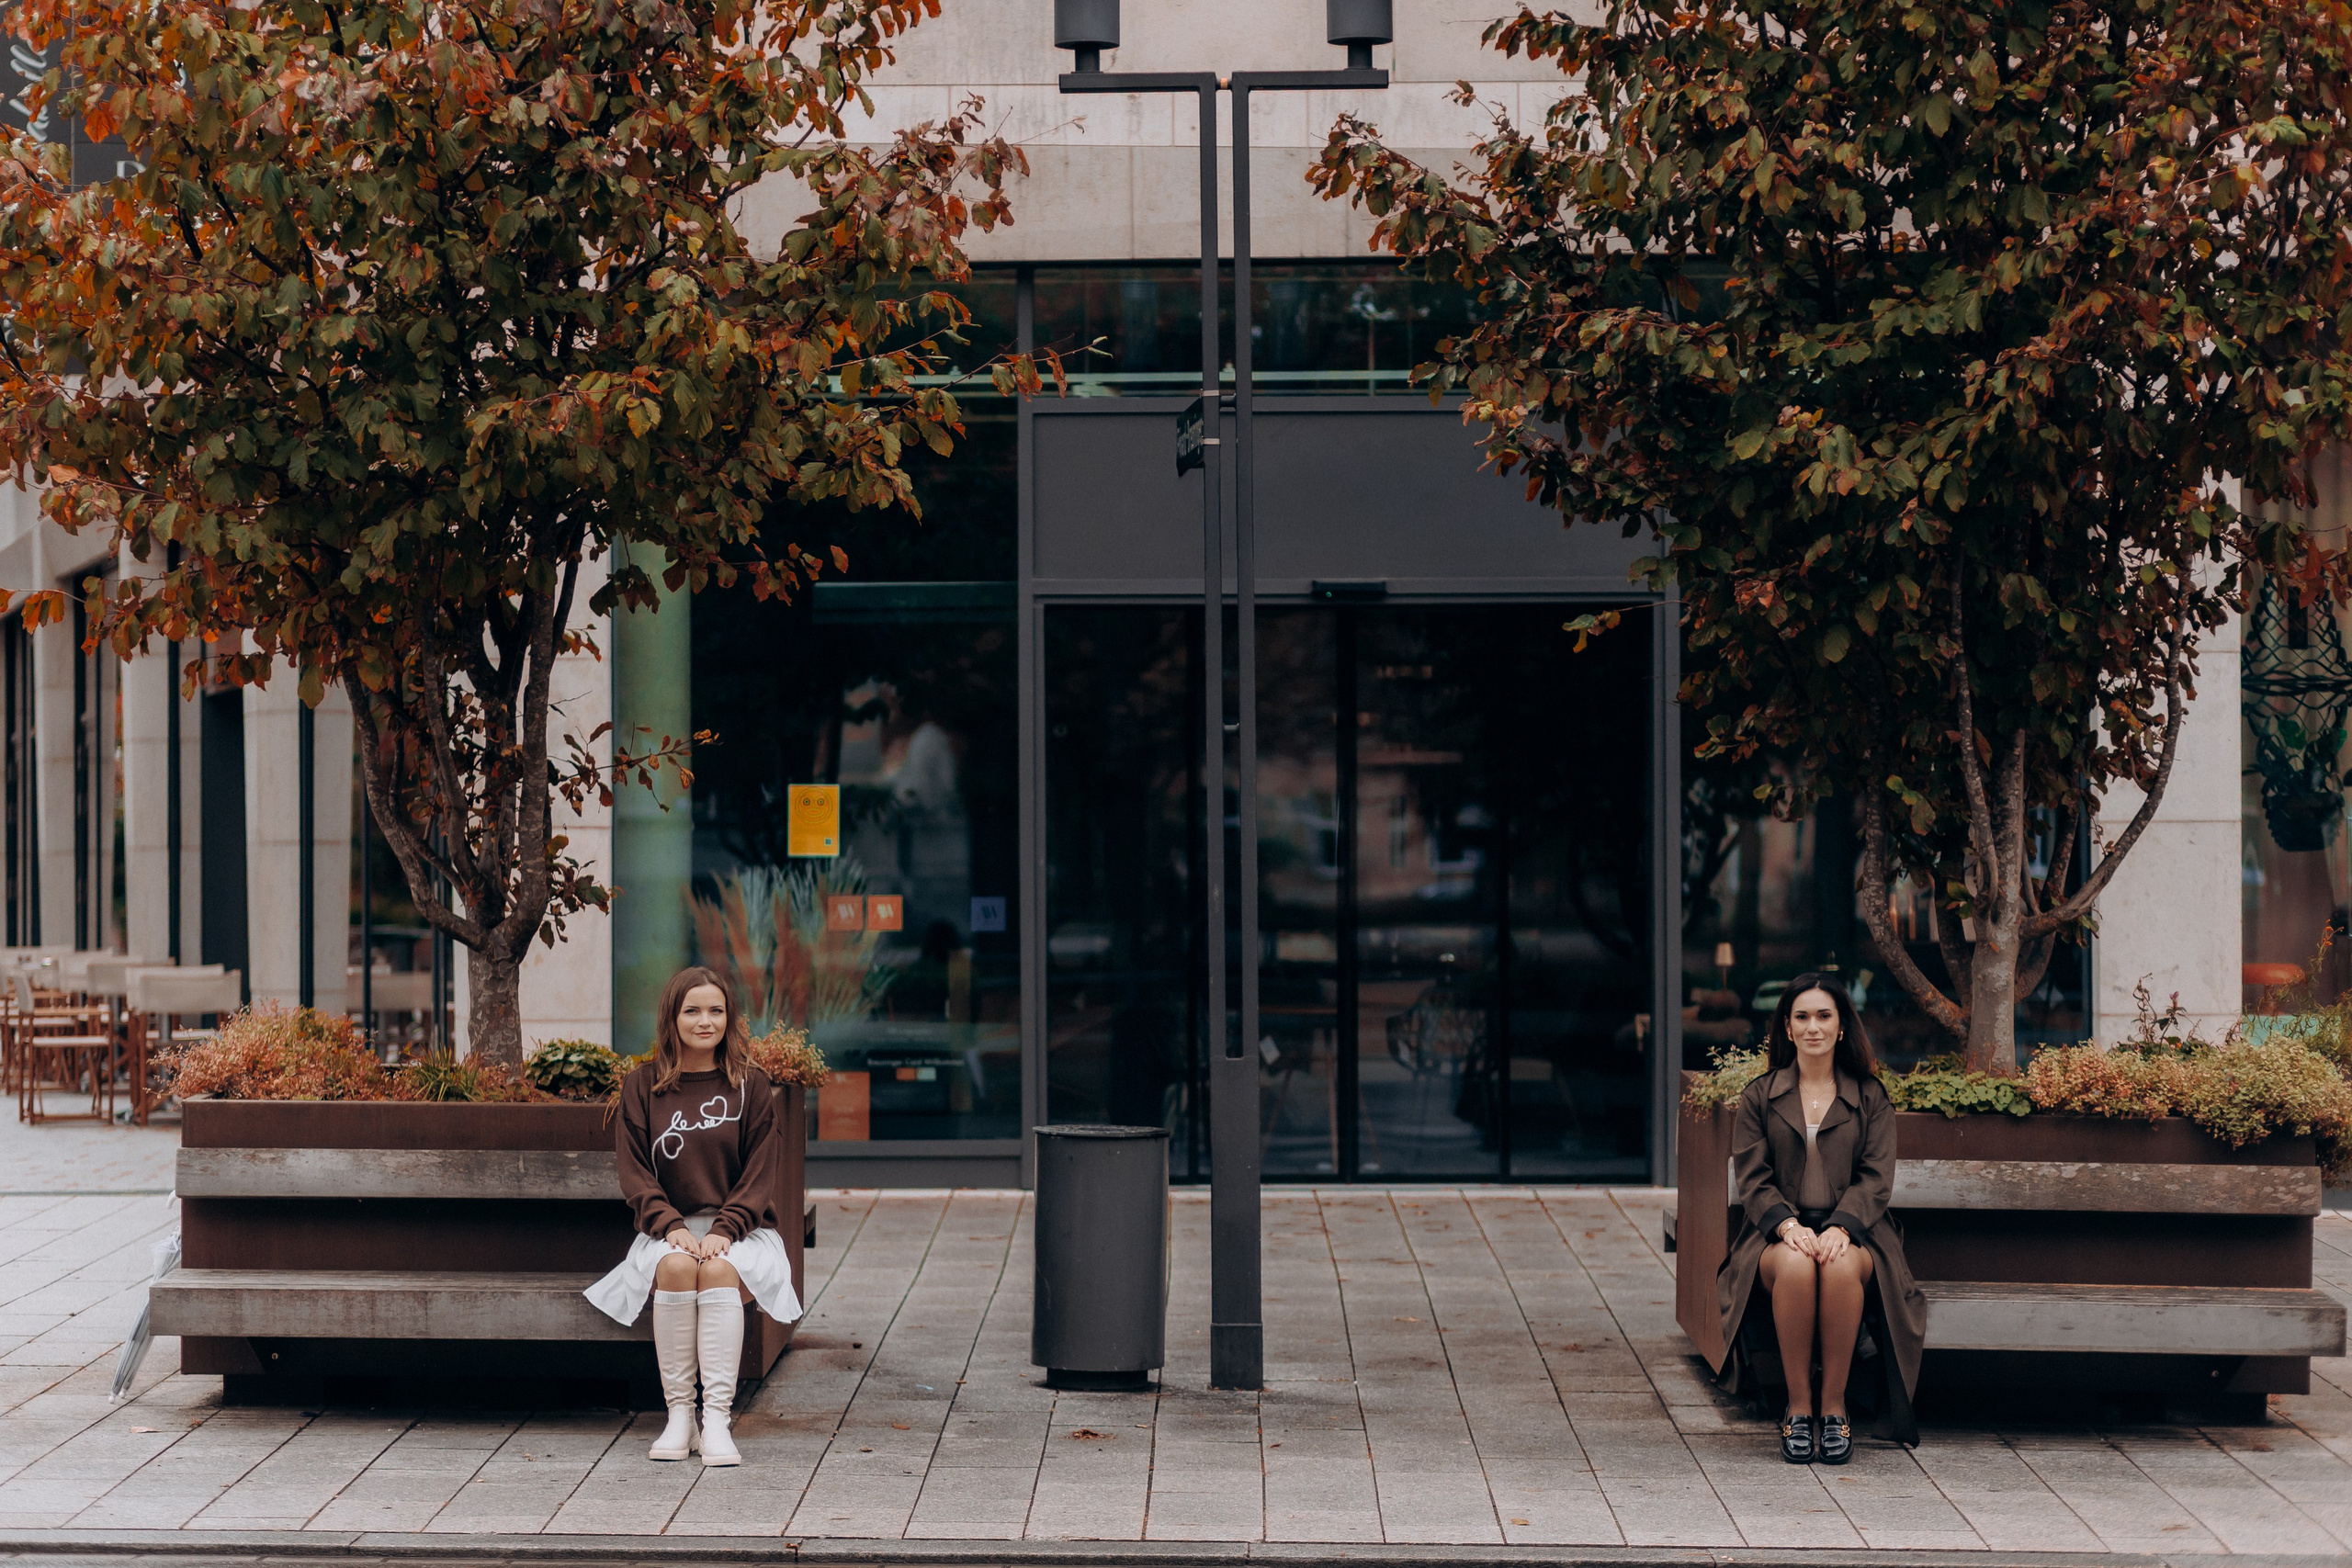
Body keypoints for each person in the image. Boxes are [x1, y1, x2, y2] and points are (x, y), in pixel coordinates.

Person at [584, 966, 801, 1466]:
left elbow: (760, 1173)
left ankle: (717, 1421)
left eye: (716, 1010)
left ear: (729, 1017)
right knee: (679, 1268)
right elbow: (635, 1175)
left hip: (744, 1231)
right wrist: (675, 1228)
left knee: (719, 1269)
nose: (706, 1021)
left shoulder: (750, 1086)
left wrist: (725, 1229)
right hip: (669, 1231)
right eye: (693, 1011)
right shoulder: (642, 1087)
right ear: (672, 1017)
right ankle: (679, 1416)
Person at [1715, 973, 1925, 1462]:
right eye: (1802, 1017)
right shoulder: (1760, 1096)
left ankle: (1835, 1409)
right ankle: (1798, 1408)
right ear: (1787, 1029)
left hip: (1859, 1232)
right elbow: (1752, 1176)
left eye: (1824, 1016)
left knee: (1838, 1264)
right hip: (1775, 1232)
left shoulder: (1870, 1096)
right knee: (1794, 1264)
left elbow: (1876, 1177)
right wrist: (1787, 1226)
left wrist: (1840, 1227)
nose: (1813, 1027)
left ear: (1841, 1027)